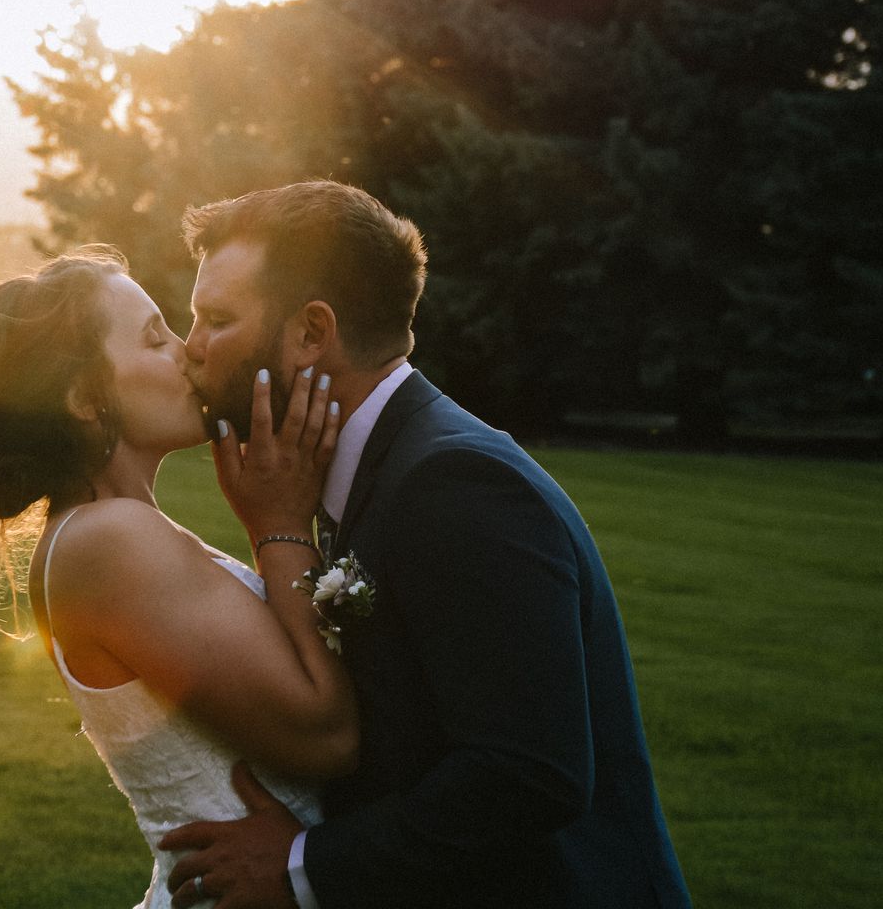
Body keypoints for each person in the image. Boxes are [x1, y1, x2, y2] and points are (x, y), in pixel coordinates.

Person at [158, 180, 692, 909]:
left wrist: (303, 866)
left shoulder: (455, 481)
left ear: (313, 333)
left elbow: (527, 774)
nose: (190, 350)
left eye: (215, 319)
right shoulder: (385, 466)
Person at [0, 245, 360, 909]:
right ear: (82, 398)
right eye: (156, 339)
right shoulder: (108, 541)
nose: (188, 352)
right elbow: (324, 737)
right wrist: (280, 525)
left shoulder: (117, 529)